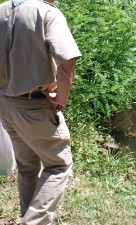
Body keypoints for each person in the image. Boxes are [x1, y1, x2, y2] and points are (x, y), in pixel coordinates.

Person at [0, 0, 81, 224]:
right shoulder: (47, 13)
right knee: (58, 166)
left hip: (5, 104)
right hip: (34, 107)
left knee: (27, 167)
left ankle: (28, 214)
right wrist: (61, 97)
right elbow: (68, 60)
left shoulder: (2, 9)